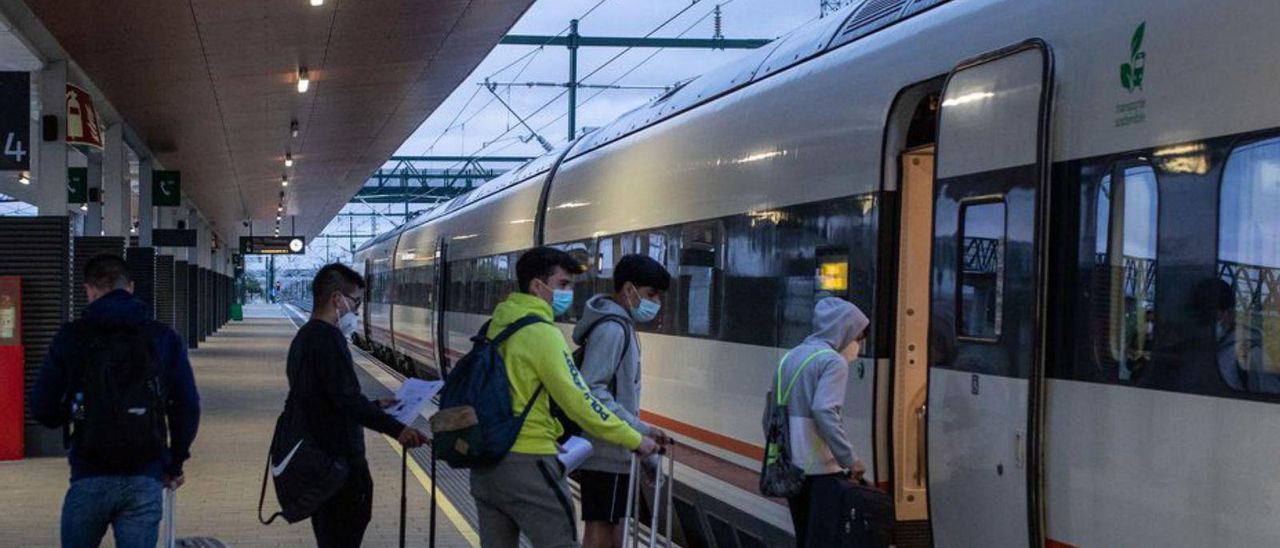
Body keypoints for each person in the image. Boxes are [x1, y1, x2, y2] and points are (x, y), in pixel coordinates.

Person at [470, 246, 660, 548]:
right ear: (536, 285)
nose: (569, 293)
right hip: (529, 464)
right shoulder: (543, 334)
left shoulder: (495, 325)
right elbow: (581, 401)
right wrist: (636, 438)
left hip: (485, 465)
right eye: (563, 285)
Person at [29, 253, 201, 548]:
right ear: (130, 287)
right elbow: (187, 406)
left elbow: (42, 406)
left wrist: (74, 413)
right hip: (145, 474)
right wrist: (175, 463)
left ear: (89, 290)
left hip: (88, 470)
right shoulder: (162, 337)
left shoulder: (71, 336)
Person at [286, 263, 427, 547]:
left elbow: (326, 398)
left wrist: (375, 404)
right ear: (336, 299)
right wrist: (397, 429)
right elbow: (347, 399)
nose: (357, 311)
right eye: (355, 302)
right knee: (343, 537)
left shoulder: (303, 338)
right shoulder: (329, 339)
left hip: (319, 462)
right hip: (340, 466)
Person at [574, 254, 672, 548]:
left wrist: (642, 440)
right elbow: (593, 391)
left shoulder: (618, 326)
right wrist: (637, 431)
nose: (656, 302)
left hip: (614, 449)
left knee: (612, 527)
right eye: (651, 294)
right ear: (629, 290)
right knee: (601, 530)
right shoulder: (612, 329)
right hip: (607, 450)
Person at [766, 296, 868, 547]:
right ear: (843, 330)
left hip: (790, 467)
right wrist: (849, 459)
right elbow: (824, 410)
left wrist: (784, 452)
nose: (859, 346)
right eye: (858, 337)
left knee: (804, 537)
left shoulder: (790, 357)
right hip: (821, 469)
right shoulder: (833, 362)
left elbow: (769, 415)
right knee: (822, 539)